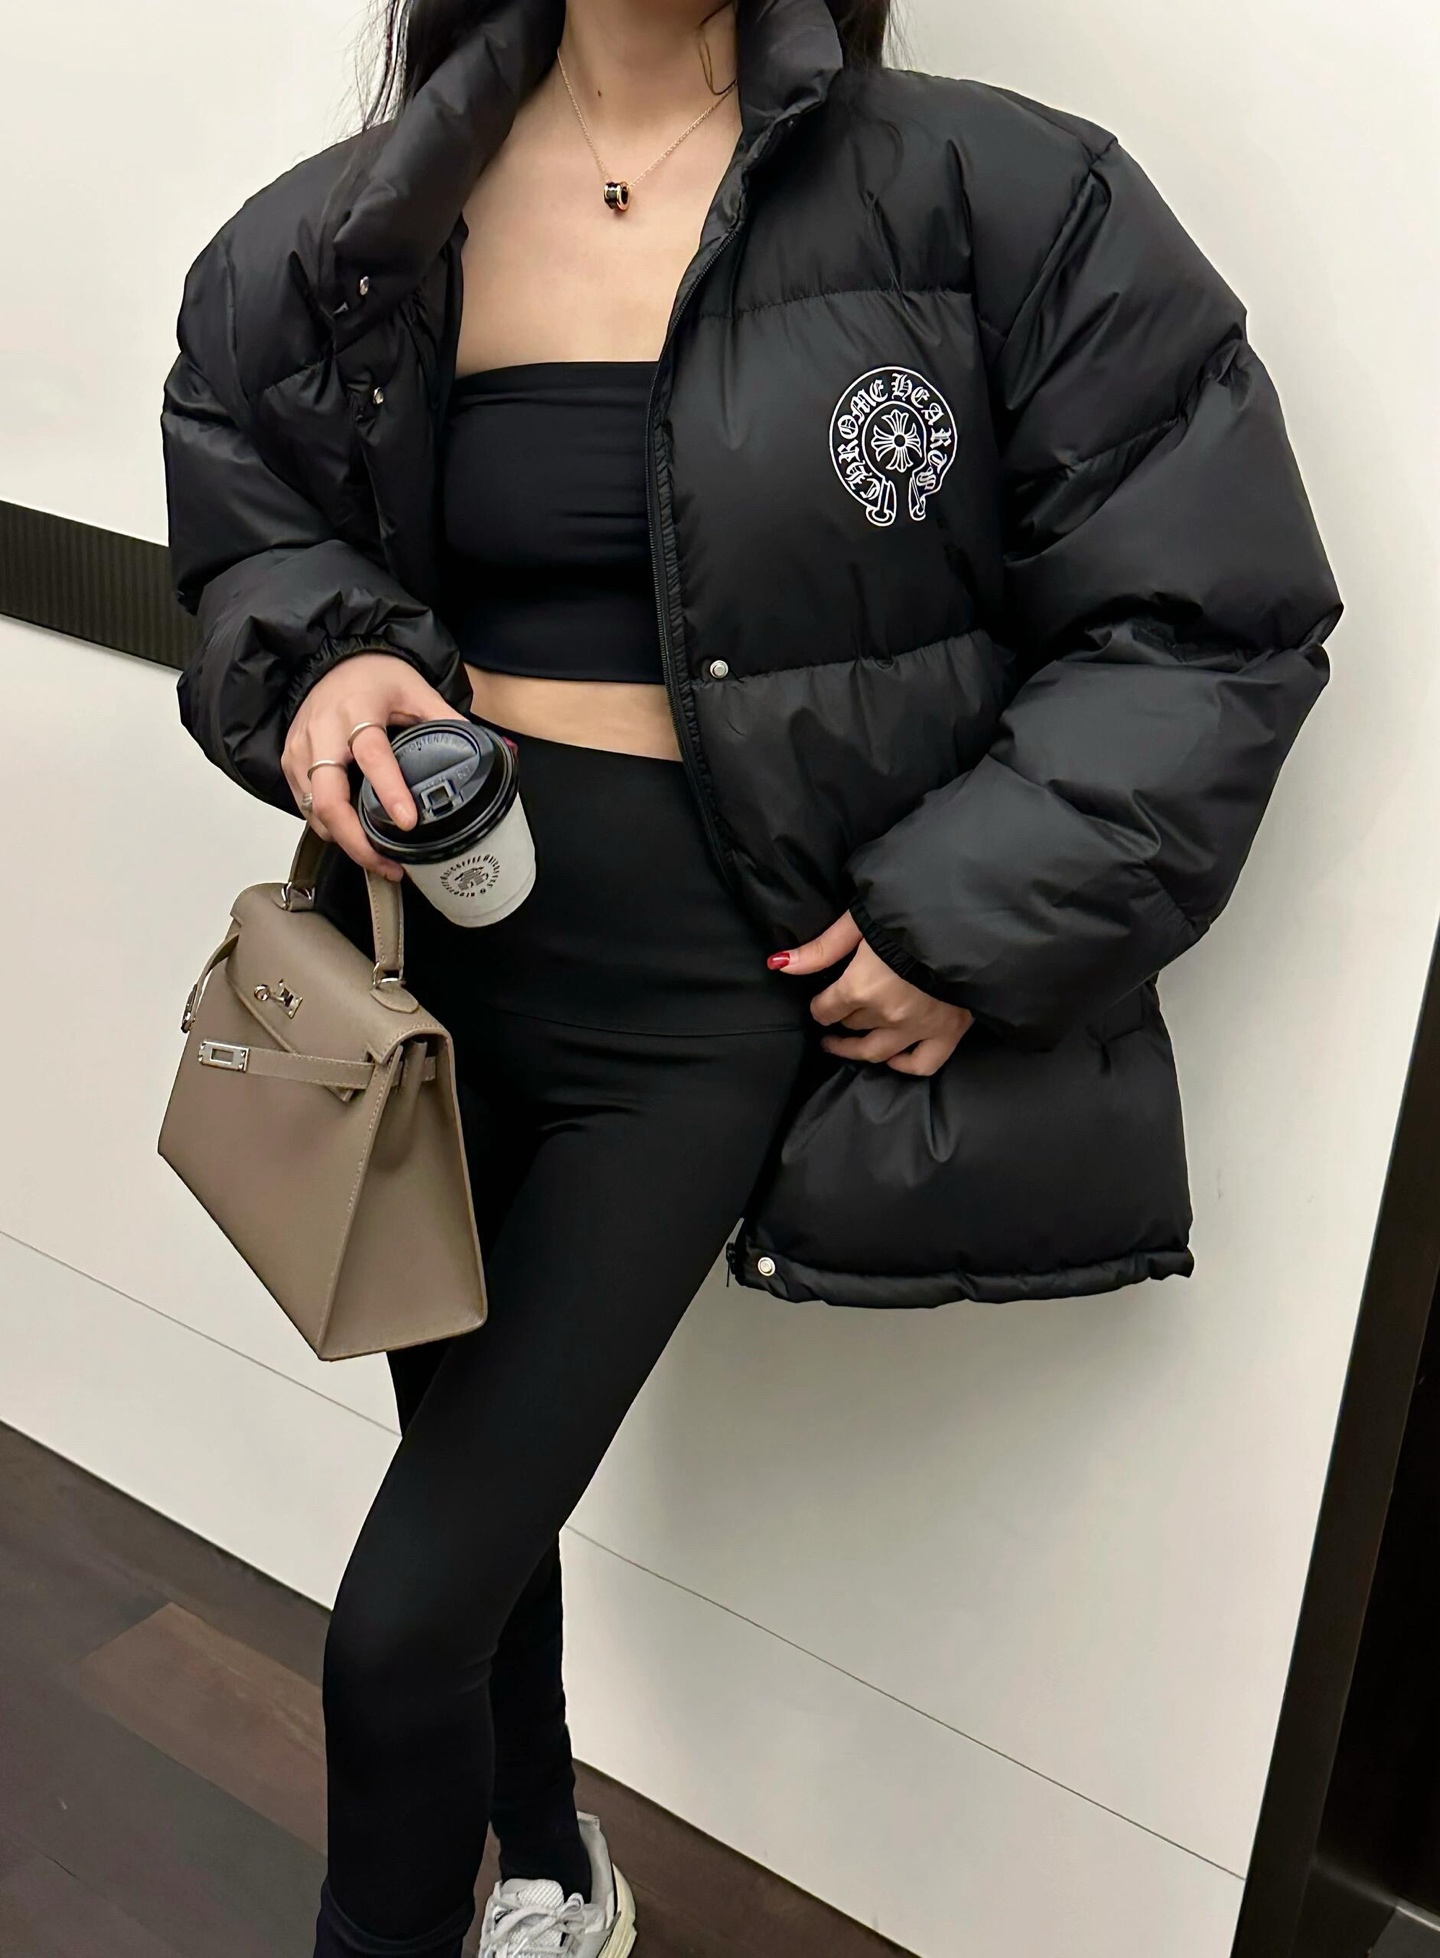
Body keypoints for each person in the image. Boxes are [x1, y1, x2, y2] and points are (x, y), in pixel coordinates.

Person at [161, 0, 1341, 1950]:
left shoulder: (998, 196)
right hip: (428, 986)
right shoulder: (370, 219)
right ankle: (553, 1870)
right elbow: (248, 516)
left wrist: (972, 916)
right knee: (476, 1512)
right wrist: (330, 657)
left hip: (697, 1019)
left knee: (393, 1629)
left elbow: (1209, 615)